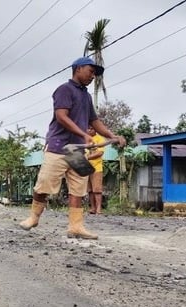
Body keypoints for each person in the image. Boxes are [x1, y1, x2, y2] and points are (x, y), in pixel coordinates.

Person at [19, 57, 126, 240]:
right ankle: (33, 217)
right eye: (90, 71)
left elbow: (95, 121)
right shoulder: (64, 90)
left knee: (78, 189)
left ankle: (76, 226)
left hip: (77, 150)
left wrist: (112, 136)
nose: (93, 76)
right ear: (77, 69)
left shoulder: (86, 96)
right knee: (43, 185)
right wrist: (84, 134)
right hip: (58, 147)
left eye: (95, 73)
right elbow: (61, 116)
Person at [86, 126, 106, 215]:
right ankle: (92, 208)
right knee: (89, 190)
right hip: (85, 167)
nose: (89, 130)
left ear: (95, 129)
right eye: (88, 128)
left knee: (97, 189)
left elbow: (100, 152)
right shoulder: (84, 139)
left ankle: (98, 209)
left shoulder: (100, 139)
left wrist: (87, 157)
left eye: (92, 128)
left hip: (96, 167)